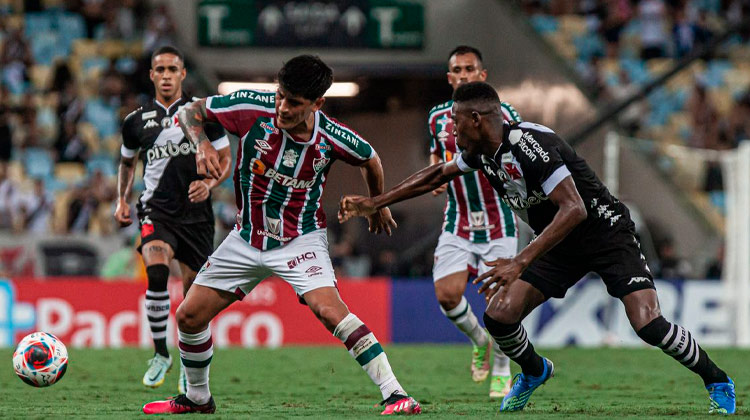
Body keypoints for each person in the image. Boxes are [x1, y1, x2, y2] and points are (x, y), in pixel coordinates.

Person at [339, 81, 735, 414]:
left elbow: (574, 209)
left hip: (605, 234)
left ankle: (717, 379)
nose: (452, 131)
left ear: (477, 119)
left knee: (647, 322)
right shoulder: (481, 152)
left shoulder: (529, 143)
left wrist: (519, 260)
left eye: (456, 123)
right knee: (499, 316)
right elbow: (436, 175)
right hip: (559, 244)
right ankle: (533, 370)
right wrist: (377, 201)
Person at [142, 55, 421, 415]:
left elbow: (370, 158)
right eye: (280, 95)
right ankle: (197, 398)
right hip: (246, 236)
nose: (282, 107)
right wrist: (202, 144)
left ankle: (396, 394)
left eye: (295, 102)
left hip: (300, 239)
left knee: (329, 311)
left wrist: (378, 203)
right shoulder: (251, 106)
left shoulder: (331, 136)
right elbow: (191, 111)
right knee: (189, 317)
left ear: (317, 104)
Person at [114, 46, 232, 394]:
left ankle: (186, 364)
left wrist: (209, 184)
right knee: (156, 267)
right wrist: (121, 200)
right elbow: (127, 162)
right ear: (152, 75)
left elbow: (225, 158)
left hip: (196, 217)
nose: (166, 75)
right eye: (160, 69)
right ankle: (160, 353)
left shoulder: (202, 113)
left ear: (183, 74)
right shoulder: (135, 121)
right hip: (156, 209)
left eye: (172, 69)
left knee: (193, 298)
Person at [427, 46, 520, 398]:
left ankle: (501, 365)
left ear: (482, 75)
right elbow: (435, 153)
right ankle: (480, 341)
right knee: (447, 295)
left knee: (499, 305)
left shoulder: (506, 114)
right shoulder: (437, 117)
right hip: (459, 219)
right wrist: (435, 174)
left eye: (470, 69)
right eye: (457, 70)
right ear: (450, 78)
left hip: (500, 222)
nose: (464, 74)